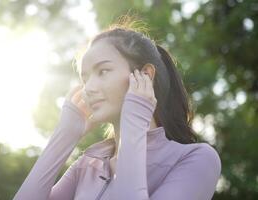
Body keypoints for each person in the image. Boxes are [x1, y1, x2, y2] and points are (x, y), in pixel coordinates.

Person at [13, 16, 222, 200]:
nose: (89, 89)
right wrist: (64, 136)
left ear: (146, 75)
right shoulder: (88, 165)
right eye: (84, 79)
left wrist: (135, 121)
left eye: (103, 71)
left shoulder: (196, 159)